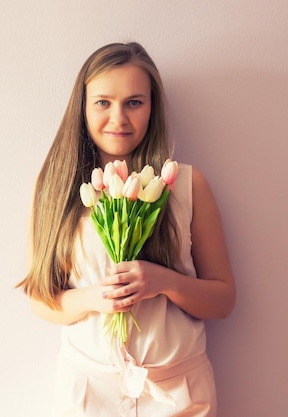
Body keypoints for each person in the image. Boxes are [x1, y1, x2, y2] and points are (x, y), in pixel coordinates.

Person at [16, 42, 236, 416]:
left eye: (134, 102)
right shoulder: (57, 188)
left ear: (153, 107)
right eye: (103, 102)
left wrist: (162, 281)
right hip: (88, 392)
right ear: (82, 107)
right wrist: (93, 299)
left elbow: (223, 299)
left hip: (177, 393)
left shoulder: (186, 185)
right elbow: (41, 297)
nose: (118, 118)